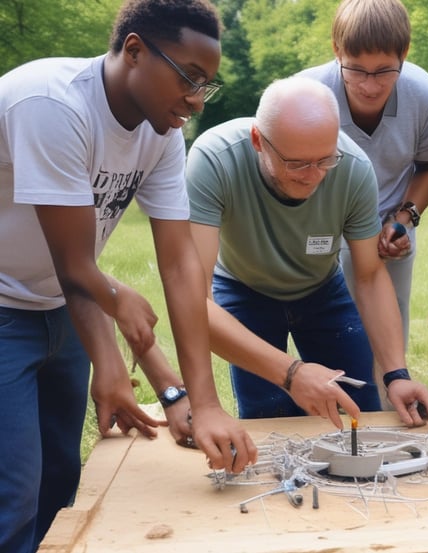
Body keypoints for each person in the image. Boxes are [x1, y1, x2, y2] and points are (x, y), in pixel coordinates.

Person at [0, 2, 257, 550]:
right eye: (188, 77)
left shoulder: (160, 131)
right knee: (12, 493)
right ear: (134, 50)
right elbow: (76, 265)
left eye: (206, 85)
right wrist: (116, 309)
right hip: (5, 308)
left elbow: (181, 264)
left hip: (56, 308)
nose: (195, 99)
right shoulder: (51, 102)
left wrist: (194, 399)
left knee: (59, 483)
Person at [185, 76, 428, 431]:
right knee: (269, 418)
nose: (313, 177)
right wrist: (291, 373)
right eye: (297, 164)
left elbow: (369, 275)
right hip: (244, 289)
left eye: (325, 161)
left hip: (322, 289)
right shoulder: (213, 160)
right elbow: (193, 304)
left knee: (361, 410)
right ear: (258, 141)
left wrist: (396, 373)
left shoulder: (353, 167)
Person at [298, 0, 428, 371]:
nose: (370, 86)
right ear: (337, 51)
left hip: (389, 228)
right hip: (320, 222)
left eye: (384, 71)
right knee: (325, 329)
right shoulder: (305, 94)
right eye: (356, 70)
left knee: (387, 334)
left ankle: (387, 405)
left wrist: (406, 217)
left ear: (404, 54)